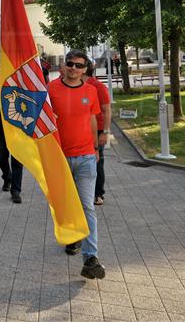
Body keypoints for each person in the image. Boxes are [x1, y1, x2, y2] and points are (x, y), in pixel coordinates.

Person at [48, 50, 105, 280]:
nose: (73, 68)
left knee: (87, 207)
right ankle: (72, 238)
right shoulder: (51, 89)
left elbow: (92, 119)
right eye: (70, 64)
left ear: (85, 69)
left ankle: (91, 258)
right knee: (64, 206)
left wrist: (95, 148)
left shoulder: (90, 91)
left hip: (85, 157)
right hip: (59, 158)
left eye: (79, 66)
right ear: (64, 65)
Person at [0, 83, 24, 203]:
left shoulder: (21, 88)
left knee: (17, 161)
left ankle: (16, 191)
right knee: (2, 158)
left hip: (18, 131)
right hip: (0, 130)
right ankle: (7, 177)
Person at [83, 65, 111, 206]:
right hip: (82, 129)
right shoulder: (77, 85)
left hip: (98, 130)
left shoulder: (97, 86)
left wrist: (105, 132)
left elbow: (107, 110)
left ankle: (98, 194)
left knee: (97, 161)